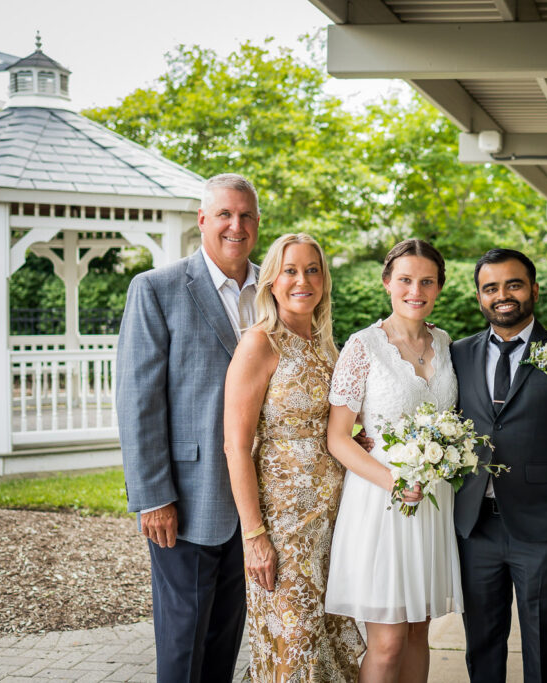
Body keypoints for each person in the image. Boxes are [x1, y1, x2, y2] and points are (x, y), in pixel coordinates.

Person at [117, 173, 260, 682]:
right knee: (182, 645)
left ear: (257, 223)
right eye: (224, 214)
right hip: (186, 498)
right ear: (202, 220)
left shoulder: (275, 290)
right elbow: (139, 400)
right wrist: (152, 495)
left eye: (245, 215)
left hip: (258, 500)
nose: (235, 225)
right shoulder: (156, 289)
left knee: (226, 638)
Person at [452, 248, 547, 683]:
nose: (503, 295)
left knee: (543, 644)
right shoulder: (459, 354)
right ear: (480, 297)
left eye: (513, 284)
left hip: (542, 526)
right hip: (474, 526)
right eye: (491, 288)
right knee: (481, 643)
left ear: (532, 289)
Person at [223, 233, 364, 681]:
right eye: (290, 270)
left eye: (312, 269)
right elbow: (236, 445)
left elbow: (332, 432)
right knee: (294, 644)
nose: (302, 280)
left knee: (328, 639)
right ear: (271, 281)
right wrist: (254, 536)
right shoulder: (259, 343)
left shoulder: (327, 346)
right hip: (284, 527)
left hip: (333, 520)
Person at [325, 239, 462, 683]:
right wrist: (392, 480)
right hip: (382, 507)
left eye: (426, 281)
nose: (415, 290)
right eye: (405, 280)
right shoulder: (362, 347)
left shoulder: (444, 343)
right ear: (387, 283)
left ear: (439, 286)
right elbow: (339, 439)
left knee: (420, 633)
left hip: (432, 506)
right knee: (387, 643)